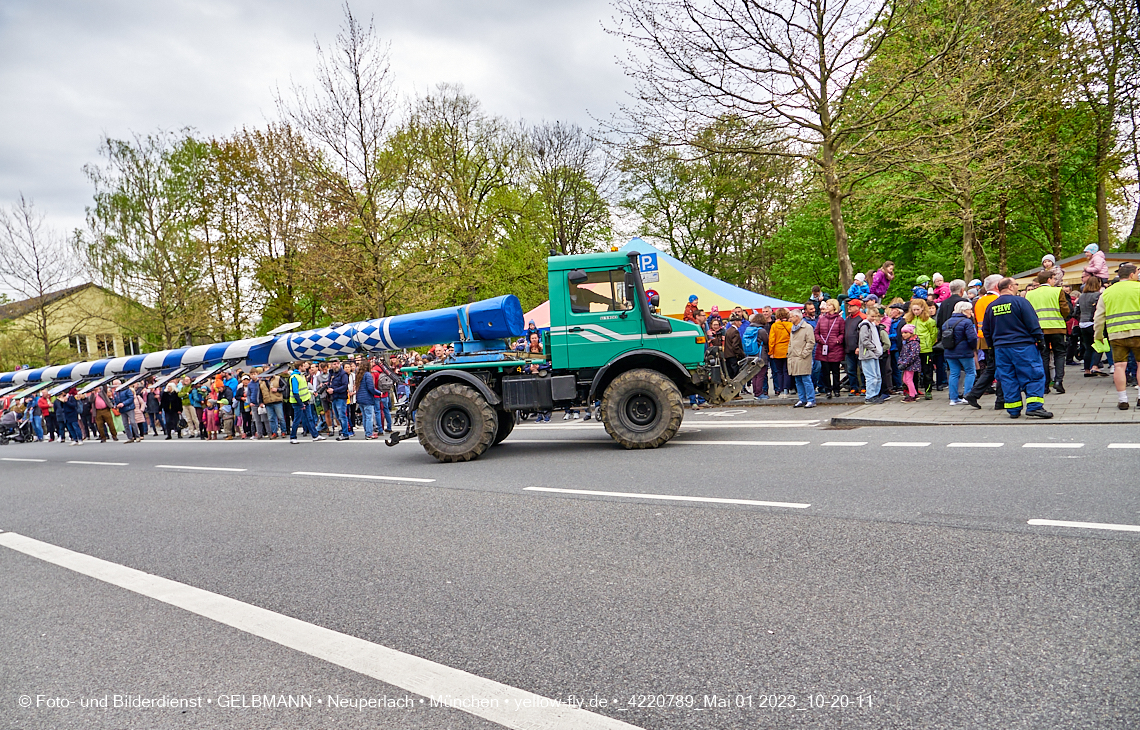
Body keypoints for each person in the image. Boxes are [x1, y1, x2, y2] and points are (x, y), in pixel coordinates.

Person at [982, 277, 1052, 419]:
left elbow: (986, 330)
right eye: (1016, 284)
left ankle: (1013, 409)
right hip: (1023, 346)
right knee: (1033, 375)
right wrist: (1040, 340)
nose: (1018, 287)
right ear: (1009, 287)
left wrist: (992, 348)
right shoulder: (1020, 302)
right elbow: (1032, 322)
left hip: (1001, 348)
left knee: (1008, 377)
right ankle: (1034, 407)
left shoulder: (992, 306)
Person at [1093, 263, 1140, 410]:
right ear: (1132, 275)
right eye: (1137, 272)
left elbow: (1099, 317)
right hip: (1138, 332)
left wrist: (1098, 335)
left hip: (1116, 334)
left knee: (1119, 366)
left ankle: (1123, 399)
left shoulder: (1107, 292)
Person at [1026, 270, 1071, 395]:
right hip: (1057, 327)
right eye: (1053, 278)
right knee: (1059, 354)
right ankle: (1058, 381)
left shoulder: (1030, 294)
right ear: (1049, 279)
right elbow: (1065, 308)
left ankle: (1045, 385)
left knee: (1043, 356)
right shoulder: (1057, 291)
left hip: (1039, 329)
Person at [965, 274, 1006, 410]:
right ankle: (1000, 399)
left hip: (983, 338)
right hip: (996, 338)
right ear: (997, 285)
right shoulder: (998, 300)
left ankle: (975, 394)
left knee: (992, 368)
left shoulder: (979, 301)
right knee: (1001, 368)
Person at [944, 301, 978, 405]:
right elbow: (972, 338)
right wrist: (973, 348)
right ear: (964, 310)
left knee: (954, 374)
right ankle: (967, 396)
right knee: (970, 372)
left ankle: (953, 398)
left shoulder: (947, 322)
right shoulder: (967, 322)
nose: (971, 311)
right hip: (965, 351)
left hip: (950, 351)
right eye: (969, 309)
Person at [905, 299, 938, 400]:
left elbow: (933, 334)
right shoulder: (909, 319)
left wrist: (928, 344)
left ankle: (928, 391)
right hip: (912, 351)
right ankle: (913, 391)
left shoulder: (929, 321)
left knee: (927, 371)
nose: (915, 312)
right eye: (913, 310)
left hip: (925, 349)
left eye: (917, 309)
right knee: (912, 372)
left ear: (923, 309)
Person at [814, 299, 845, 399]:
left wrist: (838, 340)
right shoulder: (821, 319)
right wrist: (819, 340)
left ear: (834, 307)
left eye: (829, 305)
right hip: (823, 347)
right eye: (826, 305)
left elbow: (842, 333)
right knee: (825, 371)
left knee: (835, 371)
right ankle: (828, 390)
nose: (827, 307)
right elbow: (816, 332)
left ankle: (836, 389)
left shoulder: (840, 320)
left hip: (835, 348)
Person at [787, 308, 816, 408]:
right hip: (793, 357)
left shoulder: (807, 327)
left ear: (796, 317)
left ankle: (811, 399)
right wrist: (789, 353)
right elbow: (791, 342)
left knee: (806, 379)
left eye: (791, 317)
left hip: (803, 357)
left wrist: (803, 354)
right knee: (798, 380)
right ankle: (802, 399)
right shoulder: (793, 328)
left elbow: (811, 342)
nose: (789, 319)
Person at [1078, 276, 1107, 376]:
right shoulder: (1098, 295)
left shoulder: (1082, 296)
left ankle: (1087, 369)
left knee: (1089, 347)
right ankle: (1095, 366)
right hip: (1093, 322)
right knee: (1100, 345)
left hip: (1082, 323)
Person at [289, 363, 323, 443]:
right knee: (297, 419)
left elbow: (304, 389)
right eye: (304, 366)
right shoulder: (294, 377)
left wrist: (312, 392)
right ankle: (293, 437)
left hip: (304, 400)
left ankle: (315, 435)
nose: (306, 368)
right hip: (298, 402)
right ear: (300, 367)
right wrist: (301, 403)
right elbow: (295, 392)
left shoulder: (301, 376)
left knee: (309, 418)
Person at [858, 305, 885, 403]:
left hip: (874, 354)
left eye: (875, 317)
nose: (873, 318)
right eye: (872, 316)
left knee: (877, 376)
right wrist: (874, 349)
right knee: (871, 376)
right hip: (868, 354)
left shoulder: (872, 325)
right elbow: (865, 340)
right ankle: (870, 396)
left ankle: (875, 394)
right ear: (867, 314)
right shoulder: (865, 326)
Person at [767, 309, 792, 396]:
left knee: (779, 371)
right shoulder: (790, 325)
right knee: (787, 371)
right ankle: (786, 389)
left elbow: (771, 340)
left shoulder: (774, 326)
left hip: (777, 350)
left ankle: (780, 389)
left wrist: (771, 352)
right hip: (788, 350)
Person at [844, 299, 866, 395]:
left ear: (858, 307)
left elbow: (863, 334)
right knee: (851, 370)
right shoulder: (848, 318)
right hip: (848, 348)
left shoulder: (862, 318)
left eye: (852, 306)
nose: (849, 307)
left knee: (862, 369)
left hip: (859, 348)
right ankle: (854, 387)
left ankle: (864, 387)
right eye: (849, 306)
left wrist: (859, 346)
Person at [897, 325, 922, 402]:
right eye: (903, 333)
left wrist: (904, 363)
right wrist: (900, 362)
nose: (904, 334)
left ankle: (912, 395)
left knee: (908, 379)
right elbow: (902, 353)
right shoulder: (906, 342)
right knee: (905, 379)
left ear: (911, 333)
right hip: (907, 364)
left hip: (911, 365)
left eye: (906, 332)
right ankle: (914, 393)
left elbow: (913, 355)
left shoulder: (914, 343)